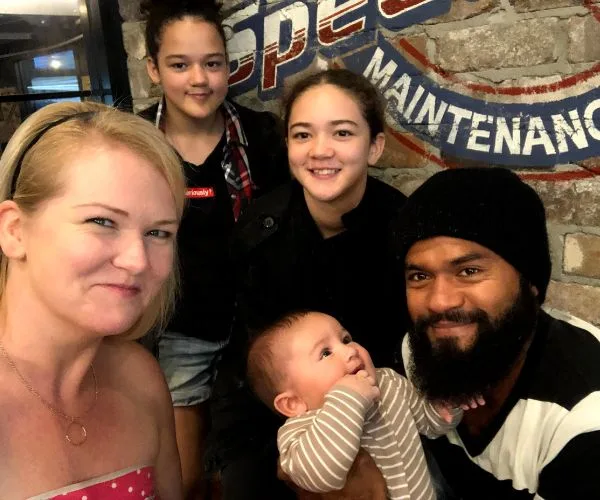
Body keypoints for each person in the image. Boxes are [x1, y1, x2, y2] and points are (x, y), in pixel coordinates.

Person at [208, 68, 408, 499]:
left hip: (387, 420)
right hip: (279, 422)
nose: (320, 150)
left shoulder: (405, 232)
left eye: (342, 133)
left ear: (375, 146)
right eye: (302, 135)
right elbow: (250, 361)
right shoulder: (259, 231)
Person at [139, 0, 288, 495]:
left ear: (228, 65)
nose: (199, 79)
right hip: (180, 331)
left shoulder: (263, 136)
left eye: (212, 63)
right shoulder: (134, 143)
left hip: (262, 327)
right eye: (179, 65)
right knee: (183, 479)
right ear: (153, 69)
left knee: (261, 475)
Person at [0, 101, 186, 498]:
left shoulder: (140, 378)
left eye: (158, 233)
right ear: (14, 230)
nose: (137, 261)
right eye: (102, 222)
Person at [393, 167, 600, 499]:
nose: (439, 302)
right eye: (419, 276)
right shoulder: (419, 352)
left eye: (469, 271)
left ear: (530, 282)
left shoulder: (584, 417)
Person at [247, 310, 475, 500]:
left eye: (345, 339)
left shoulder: (388, 383)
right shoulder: (299, 432)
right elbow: (320, 476)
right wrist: (348, 399)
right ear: (293, 403)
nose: (350, 350)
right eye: (325, 353)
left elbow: (431, 425)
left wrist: (448, 401)